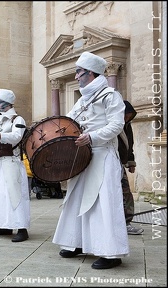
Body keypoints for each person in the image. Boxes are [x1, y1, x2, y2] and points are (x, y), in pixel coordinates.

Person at [52, 51, 129, 269]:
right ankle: (76, 242)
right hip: (82, 157)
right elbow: (68, 122)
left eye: (79, 72)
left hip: (102, 155)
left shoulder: (110, 95)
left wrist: (92, 136)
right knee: (76, 199)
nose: (76, 76)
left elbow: (116, 125)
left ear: (92, 74)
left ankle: (110, 252)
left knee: (103, 203)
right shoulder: (82, 100)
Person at [0, 89, 30, 242]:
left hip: (12, 161)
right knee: (1, 195)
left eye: (0, 102)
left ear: (8, 103)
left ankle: (22, 228)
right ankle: (5, 225)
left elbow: (16, 137)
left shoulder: (18, 120)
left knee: (14, 195)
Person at [120, 100, 143, 235]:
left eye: (129, 115)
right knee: (122, 193)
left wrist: (131, 162)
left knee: (126, 193)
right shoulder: (115, 124)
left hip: (120, 165)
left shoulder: (127, 126)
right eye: (125, 115)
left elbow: (130, 145)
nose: (126, 117)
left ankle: (127, 222)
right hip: (111, 163)